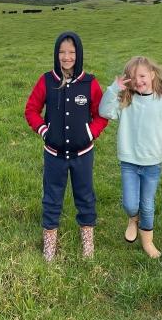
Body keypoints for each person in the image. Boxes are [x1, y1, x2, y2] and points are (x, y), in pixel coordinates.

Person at [24, 31, 108, 261]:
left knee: (85, 196)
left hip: (83, 154)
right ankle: (49, 247)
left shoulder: (89, 83)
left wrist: (90, 132)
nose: (66, 57)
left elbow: (102, 115)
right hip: (54, 155)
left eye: (71, 52)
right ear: (56, 54)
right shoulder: (46, 81)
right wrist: (44, 130)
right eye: (62, 52)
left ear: (79, 54)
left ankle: (87, 246)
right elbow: (31, 110)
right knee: (52, 198)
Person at [98, 56, 162, 258]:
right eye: (133, 77)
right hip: (129, 161)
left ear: (153, 74)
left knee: (147, 204)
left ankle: (147, 242)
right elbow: (103, 111)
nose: (139, 81)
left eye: (143, 76)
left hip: (152, 164)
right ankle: (132, 219)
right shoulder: (126, 100)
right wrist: (114, 89)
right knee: (130, 204)